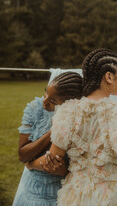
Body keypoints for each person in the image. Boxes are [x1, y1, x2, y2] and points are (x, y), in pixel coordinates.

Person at [28, 48, 117, 206]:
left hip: (76, 196)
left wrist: (30, 163)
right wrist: (108, 161)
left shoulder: (67, 112)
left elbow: (53, 160)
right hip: (112, 197)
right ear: (109, 77)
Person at [12, 71, 83, 206]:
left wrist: (64, 170)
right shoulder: (36, 108)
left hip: (65, 194)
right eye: (46, 93)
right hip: (33, 191)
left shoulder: (80, 122)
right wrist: (53, 131)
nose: (45, 101)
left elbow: (83, 168)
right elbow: (23, 155)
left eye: (52, 101)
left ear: (69, 106)